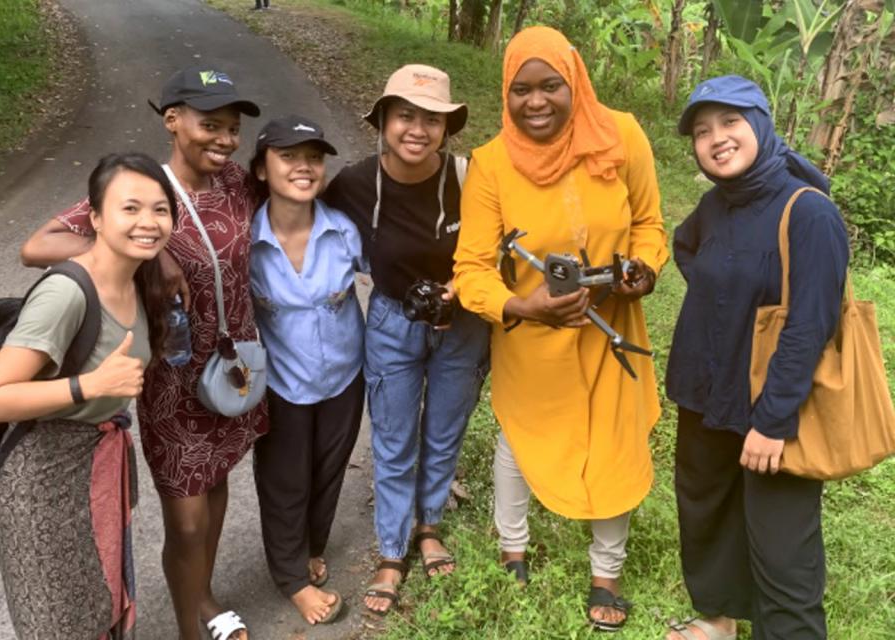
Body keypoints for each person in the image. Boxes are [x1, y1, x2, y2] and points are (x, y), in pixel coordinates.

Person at [19, 65, 266, 640]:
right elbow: (37, 245)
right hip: (169, 378)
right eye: (211, 125)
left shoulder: (235, 181)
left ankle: (203, 598)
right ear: (173, 121)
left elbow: (291, 182)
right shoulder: (142, 188)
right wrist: (150, 256)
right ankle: (187, 629)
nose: (224, 140)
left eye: (232, 128)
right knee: (185, 516)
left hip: (232, 370)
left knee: (219, 479)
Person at [452, 26, 668, 631]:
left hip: (612, 328)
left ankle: (606, 572)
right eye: (522, 89)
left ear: (575, 82)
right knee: (521, 440)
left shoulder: (621, 135)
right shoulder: (492, 165)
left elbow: (650, 224)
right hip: (533, 333)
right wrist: (525, 307)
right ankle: (512, 547)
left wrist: (642, 272)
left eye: (551, 86)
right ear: (506, 91)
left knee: (614, 443)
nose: (537, 101)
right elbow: (471, 268)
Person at [664, 76, 848, 640]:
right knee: (706, 515)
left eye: (730, 123)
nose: (716, 139)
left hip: (773, 414)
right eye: (702, 131)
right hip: (706, 395)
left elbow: (809, 326)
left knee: (781, 546)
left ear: (762, 125)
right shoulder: (715, 205)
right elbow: (686, 246)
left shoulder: (808, 210)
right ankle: (717, 621)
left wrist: (771, 422)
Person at [0, 152, 174, 639]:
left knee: (100, 603)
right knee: (57, 623)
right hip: (41, 480)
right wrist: (91, 385)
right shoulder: (66, 292)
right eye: (130, 208)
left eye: (161, 209)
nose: (148, 222)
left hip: (95, 465)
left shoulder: (138, 280)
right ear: (96, 218)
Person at [322, 64, 491, 615]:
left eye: (432, 119)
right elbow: (297, 219)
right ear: (384, 122)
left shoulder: (472, 180)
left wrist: (459, 290)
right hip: (394, 322)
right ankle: (392, 552)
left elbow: (505, 246)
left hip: (463, 322)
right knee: (394, 439)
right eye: (405, 116)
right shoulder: (353, 184)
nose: (417, 129)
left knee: (443, 431)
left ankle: (430, 526)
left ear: (448, 128)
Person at [247, 115, 364, 625]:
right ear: (260, 169)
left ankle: (312, 545)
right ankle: (291, 576)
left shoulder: (343, 232)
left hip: (345, 375)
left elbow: (392, 270)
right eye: (289, 156)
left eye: (314, 158)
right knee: (284, 479)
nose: (304, 167)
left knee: (329, 469)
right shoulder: (245, 243)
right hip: (282, 384)